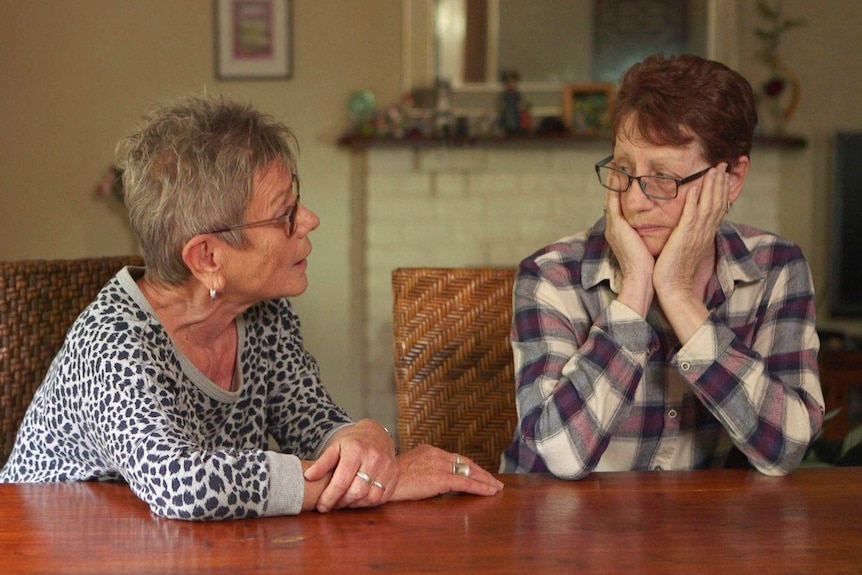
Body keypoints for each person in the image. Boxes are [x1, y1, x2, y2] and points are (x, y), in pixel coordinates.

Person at [0, 95, 503, 520]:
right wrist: (380, 484)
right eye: (284, 214)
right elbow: (185, 486)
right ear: (208, 257)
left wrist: (366, 436)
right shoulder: (112, 345)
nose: (309, 219)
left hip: (173, 551)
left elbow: (314, 423)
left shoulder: (264, 314)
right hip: (49, 552)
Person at [501, 54, 824, 478]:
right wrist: (634, 290)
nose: (634, 201)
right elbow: (559, 454)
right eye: (622, 169)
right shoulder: (551, 275)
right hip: (563, 531)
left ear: (730, 180)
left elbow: (784, 447)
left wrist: (677, 294)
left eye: (663, 178)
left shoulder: (776, 269)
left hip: (700, 532)